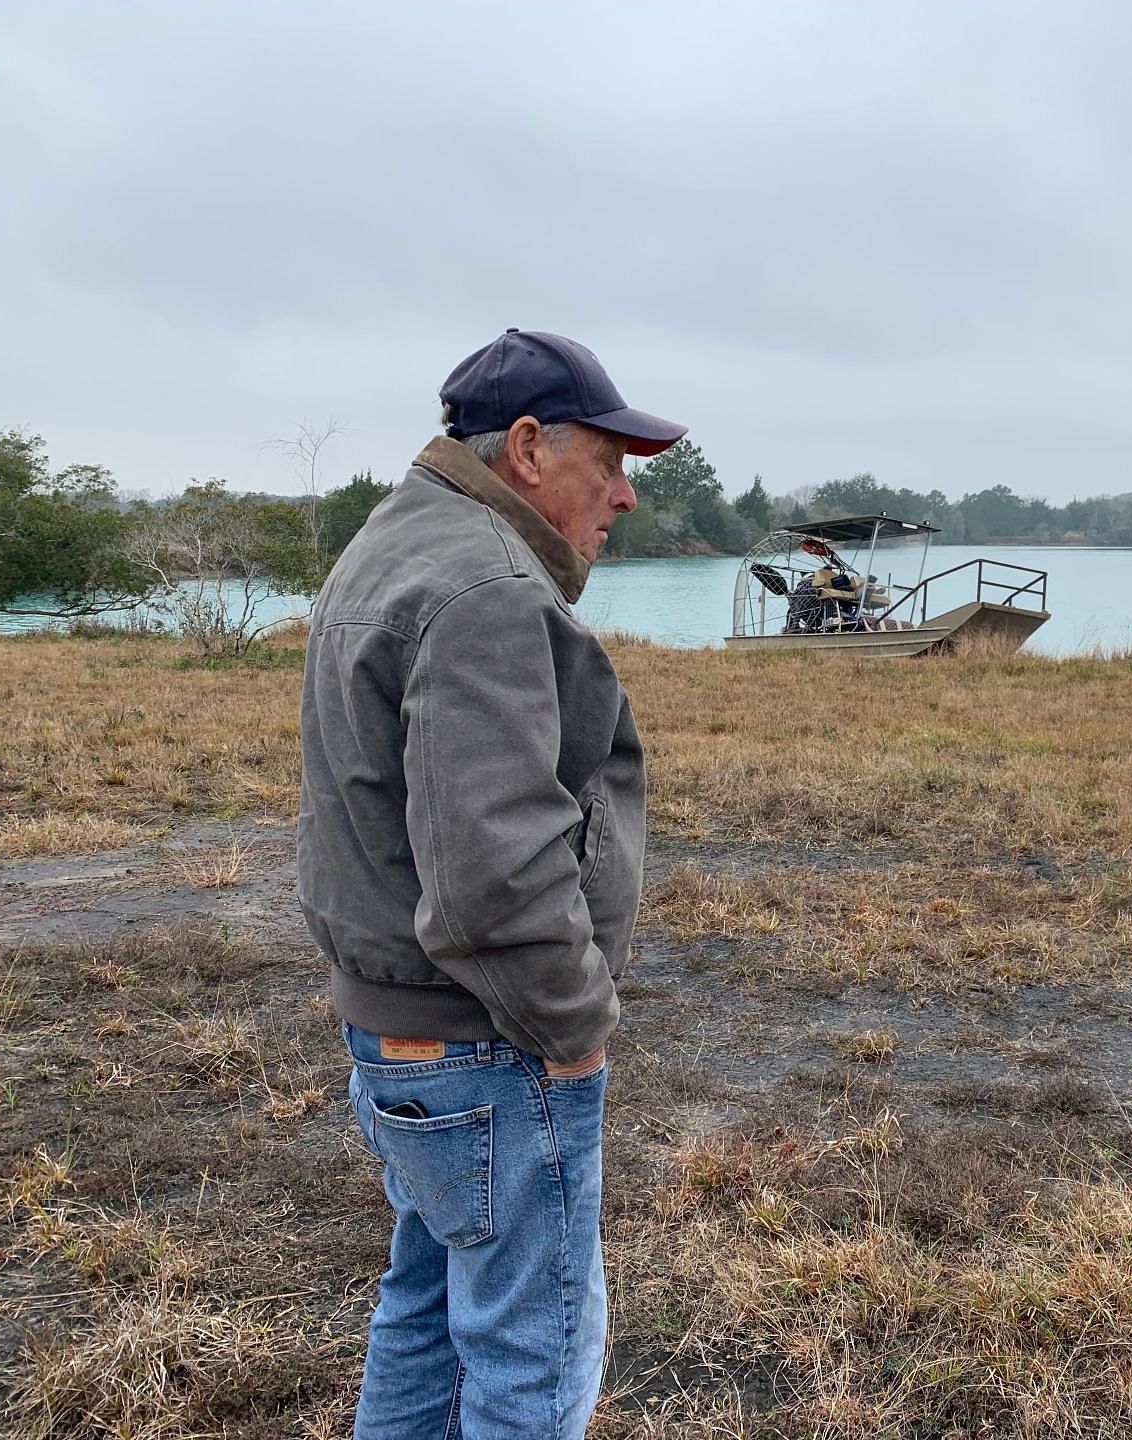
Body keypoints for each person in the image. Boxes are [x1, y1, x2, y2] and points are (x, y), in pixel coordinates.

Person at [297, 330, 685, 1438]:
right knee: (533, 1357)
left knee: (422, 1312)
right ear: (525, 446)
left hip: (402, 1035)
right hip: (490, 1044)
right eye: (609, 463)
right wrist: (575, 1031)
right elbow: (491, 875)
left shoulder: (393, 544)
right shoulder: (486, 589)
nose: (624, 496)